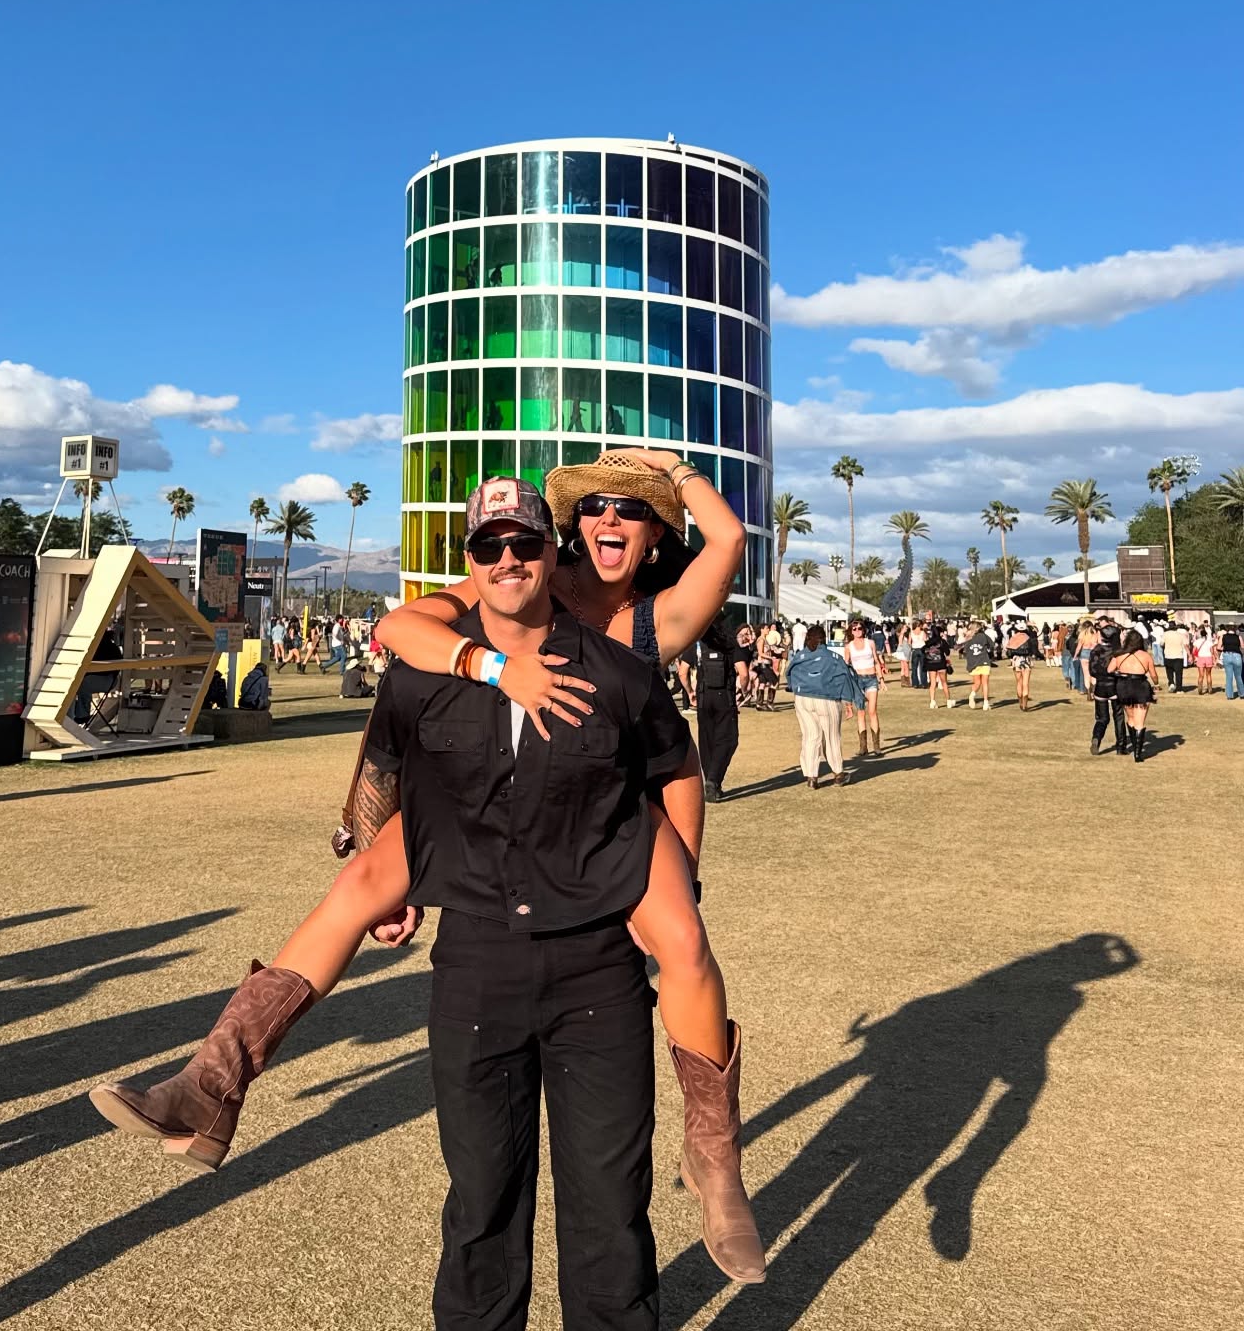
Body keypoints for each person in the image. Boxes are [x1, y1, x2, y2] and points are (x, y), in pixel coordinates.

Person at [89, 457, 766, 1288]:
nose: (609, 520)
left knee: (685, 942)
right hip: (484, 791)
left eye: (631, 510)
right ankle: (212, 1083)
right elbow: (401, 633)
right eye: (594, 506)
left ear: (656, 532)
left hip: (599, 799)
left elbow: (687, 711)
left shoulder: (647, 623)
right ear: (569, 529)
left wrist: (674, 472)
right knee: (358, 886)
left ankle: (715, 1159)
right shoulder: (518, 580)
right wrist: (491, 669)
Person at [350, 498, 696, 1331]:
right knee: (482, 1214)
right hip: (477, 969)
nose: (508, 557)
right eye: (488, 545)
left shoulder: (618, 671)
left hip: (598, 972)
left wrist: (677, 887)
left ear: (552, 553)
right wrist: (379, 867)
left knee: (609, 1211)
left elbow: (675, 768)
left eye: (525, 542)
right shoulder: (427, 666)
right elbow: (381, 766)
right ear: (471, 559)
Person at [787, 624, 864, 788]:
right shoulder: (832, 657)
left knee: (810, 736)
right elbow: (844, 677)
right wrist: (849, 701)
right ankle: (838, 774)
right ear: (824, 639)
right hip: (827, 699)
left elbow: (789, 674)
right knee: (831, 737)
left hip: (803, 699)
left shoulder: (800, 656)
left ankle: (811, 777)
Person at [693, 616, 749, 802]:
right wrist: (743, 691)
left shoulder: (699, 643)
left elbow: (683, 672)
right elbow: (743, 673)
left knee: (706, 740)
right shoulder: (731, 645)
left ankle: (711, 782)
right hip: (724, 697)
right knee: (728, 739)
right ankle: (714, 780)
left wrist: (690, 692)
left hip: (703, 697)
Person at [1109, 630, 1160, 761]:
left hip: (1124, 687)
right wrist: (1156, 684)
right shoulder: (1145, 656)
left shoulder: (1119, 655)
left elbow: (1109, 670)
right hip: (1141, 686)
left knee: (1131, 718)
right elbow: (1153, 674)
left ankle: (1135, 745)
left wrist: (1120, 673)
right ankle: (1138, 754)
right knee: (1140, 721)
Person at [841, 617, 885, 757]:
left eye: (860, 628)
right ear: (851, 631)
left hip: (871, 678)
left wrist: (881, 679)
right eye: (854, 629)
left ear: (864, 630)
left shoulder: (870, 643)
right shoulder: (848, 647)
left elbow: (876, 661)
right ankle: (863, 747)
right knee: (861, 712)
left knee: (872, 711)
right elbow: (846, 666)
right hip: (858, 680)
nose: (857, 631)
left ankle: (876, 746)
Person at [1088, 620, 1127, 756]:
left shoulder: (1096, 650)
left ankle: (1096, 739)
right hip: (1115, 686)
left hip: (1100, 686)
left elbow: (1092, 671)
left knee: (1102, 718)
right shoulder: (1118, 652)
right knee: (1118, 716)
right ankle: (1121, 747)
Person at [958, 620, 995, 710]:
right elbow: (992, 645)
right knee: (985, 683)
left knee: (977, 682)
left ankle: (972, 694)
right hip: (984, 661)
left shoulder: (968, 639)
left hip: (973, 663)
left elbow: (963, 650)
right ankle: (985, 703)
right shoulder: (983, 636)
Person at [1005, 619, 1039, 710]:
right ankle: (1025, 705)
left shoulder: (1014, 637)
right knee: (1025, 683)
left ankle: (1020, 702)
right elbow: (1033, 650)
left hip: (1016, 660)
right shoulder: (1028, 638)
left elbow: (1008, 651)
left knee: (1019, 682)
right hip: (1026, 660)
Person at [922, 622, 952, 709]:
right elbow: (947, 652)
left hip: (931, 663)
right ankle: (948, 701)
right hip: (941, 663)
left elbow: (923, 650)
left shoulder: (928, 642)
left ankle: (932, 701)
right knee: (944, 682)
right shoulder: (942, 642)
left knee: (932, 683)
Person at [1161, 617, 1189, 694]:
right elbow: (1186, 645)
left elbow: (1161, 644)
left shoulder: (1165, 634)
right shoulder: (1180, 635)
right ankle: (1179, 689)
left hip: (1168, 655)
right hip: (1178, 656)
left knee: (1169, 671)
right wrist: (1190, 655)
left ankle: (1171, 683)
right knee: (1178, 673)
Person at [1220, 623, 1243, 700]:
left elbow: (1219, 647)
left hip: (1227, 655)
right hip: (1237, 656)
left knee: (1229, 677)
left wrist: (1225, 647)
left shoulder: (1223, 636)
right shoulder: (1238, 637)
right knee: (1238, 676)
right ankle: (1242, 693)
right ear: (1235, 628)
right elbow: (1242, 646)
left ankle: (1230, 695)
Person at [1193, 624, 1216, 695]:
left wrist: (1195, 657)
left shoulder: (1197, 642)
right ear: (1206, 635)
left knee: (1201, 675)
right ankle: (1210, 689)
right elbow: (1212, 652)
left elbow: (1194, 651)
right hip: (1208, 657)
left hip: (1201, 658)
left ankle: (1200, 689)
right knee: (1208, 674)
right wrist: (1214, 659)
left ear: (1200, 634)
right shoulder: (1209, 642)